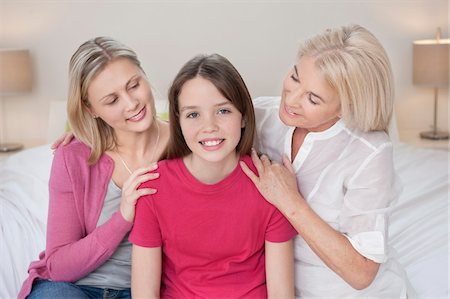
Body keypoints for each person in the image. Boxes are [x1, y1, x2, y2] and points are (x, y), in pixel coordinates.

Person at [240, 24, 414, 298]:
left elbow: (362, 273)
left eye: (313, 98)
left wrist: (289, 200)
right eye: (295, 78)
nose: (291, 99)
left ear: (346, 106)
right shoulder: (261, 115)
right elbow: (193, 130)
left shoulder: (369, 151)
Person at [129, 54, 297, 298]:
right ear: (179, 122)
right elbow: (144, 294)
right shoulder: (154, 187)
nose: (209, 126)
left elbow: (281, 294)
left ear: (244, 117)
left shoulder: (269, 185)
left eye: (223, 111)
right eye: (193, 114)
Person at [18, 37, 170, 299]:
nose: (131, 103)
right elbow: (59, 267)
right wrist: (122, 217)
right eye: (112, 100)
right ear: (91, 109)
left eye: (134, 85)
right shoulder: (73, 157)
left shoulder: (188, 142)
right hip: (73, 288)